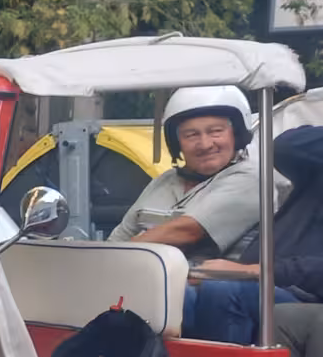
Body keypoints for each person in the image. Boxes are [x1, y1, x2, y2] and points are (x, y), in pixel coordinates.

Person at [182, 122, 323, 344]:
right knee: (173, 294)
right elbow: (286, 147)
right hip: (260, 276)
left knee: (222, 290)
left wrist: (254, 271)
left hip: (313, 291)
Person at [108, 87, 275, 258]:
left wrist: (117, 256)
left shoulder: (253, 179)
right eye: (191, 135)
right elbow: (120, 236)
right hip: (150, 279)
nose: (205, 144)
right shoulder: (164, 181)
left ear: (236, 135)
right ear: (177, 142)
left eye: (215, 131)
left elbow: (186, 231)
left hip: (215, 282)